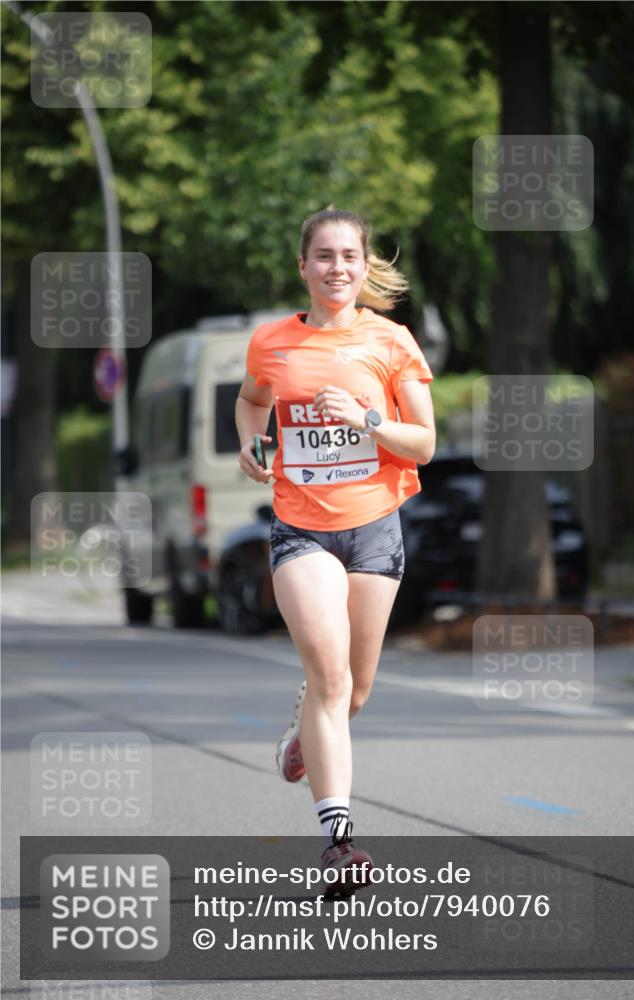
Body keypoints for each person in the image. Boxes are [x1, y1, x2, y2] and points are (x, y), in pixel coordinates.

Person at [235, 207, 435, 896]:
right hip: (301, 529)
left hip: (375, 528)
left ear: (362, 262)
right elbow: (251, 401)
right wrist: (251, 442)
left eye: (348, 255)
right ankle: (339, 841)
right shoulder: (271, 344)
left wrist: (368, 420)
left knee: (355, 689)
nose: (337, 267)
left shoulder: (391, 342)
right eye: (323, 255)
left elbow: (424, 444)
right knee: (328, 679)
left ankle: (302, 740)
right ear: (303, 266)